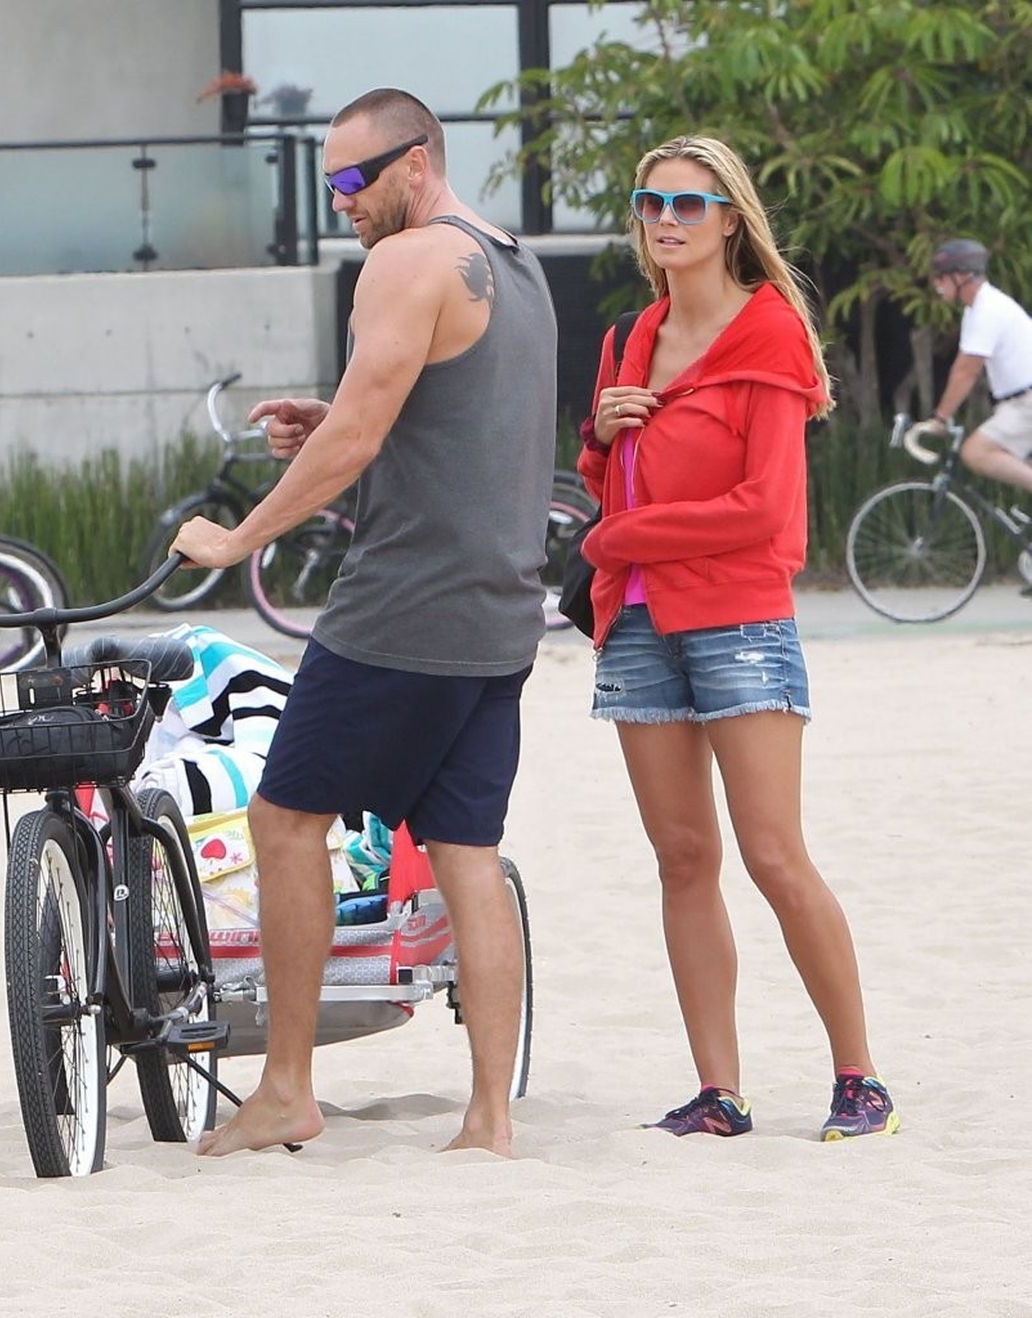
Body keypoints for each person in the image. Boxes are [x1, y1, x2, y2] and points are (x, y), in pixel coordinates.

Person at [170, 88, 557, 1158]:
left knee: (287, 820)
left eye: (354, 179)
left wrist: (237, 538)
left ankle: (287, 1086)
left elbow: (355, 442)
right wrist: (331, 420)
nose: (340, 200)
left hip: (403, 609)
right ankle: (489, 1120)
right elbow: (433, 423)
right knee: (467, 851)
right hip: (499, 612)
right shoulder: (512, 260)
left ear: (418, 160)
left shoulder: (407, 260)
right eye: (328, 181)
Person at [577, 135, 898, 1141]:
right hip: (636, 620)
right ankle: (720, 1091)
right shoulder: (630, 339)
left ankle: (861, 1080)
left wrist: (623, 532)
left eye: (688, 203)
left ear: (730, 221)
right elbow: (612, 484)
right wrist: (598, 440)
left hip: (741, 621)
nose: (665, 219)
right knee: (681, 857)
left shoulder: (768, 336)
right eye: (650, 202)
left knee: (773, 854)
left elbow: (767, 516)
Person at [922, 238, 1032, 502]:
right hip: (1017, 403)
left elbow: (966, 371)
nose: (936, 284)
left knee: (976, 452)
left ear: (962, 276)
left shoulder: (987, 310)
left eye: (941, 277)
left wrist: (940, 418)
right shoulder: (977, 310)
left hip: (1026, 403)